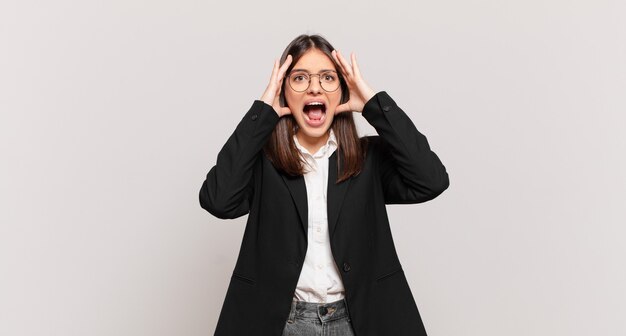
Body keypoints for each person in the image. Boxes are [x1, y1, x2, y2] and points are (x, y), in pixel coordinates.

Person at [199, 34, 450, 336]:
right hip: (282, 324)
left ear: (341, 92)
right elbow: (218, 199)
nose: (314, 87)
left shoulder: (367, 160)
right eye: (300, 78)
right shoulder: (264, 162)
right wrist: (262, 111)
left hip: (358, 321)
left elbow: (431, 179)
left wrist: (372, 104)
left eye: (328, 77)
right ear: (283, 92)